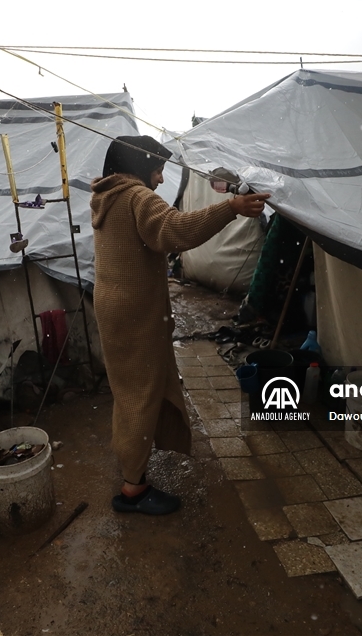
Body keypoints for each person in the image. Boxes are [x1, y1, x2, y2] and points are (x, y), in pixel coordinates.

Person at [90, 135, 270, 515]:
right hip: (135, 313)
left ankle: (130, 457)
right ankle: (133, 490)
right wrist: (231, 207)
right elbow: (176, 231)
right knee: (141, 392)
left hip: (114, 307)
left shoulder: (107, 195)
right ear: (139, 166)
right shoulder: (137, 197)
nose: (159, 179)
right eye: (156, 169)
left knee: (129, 388)